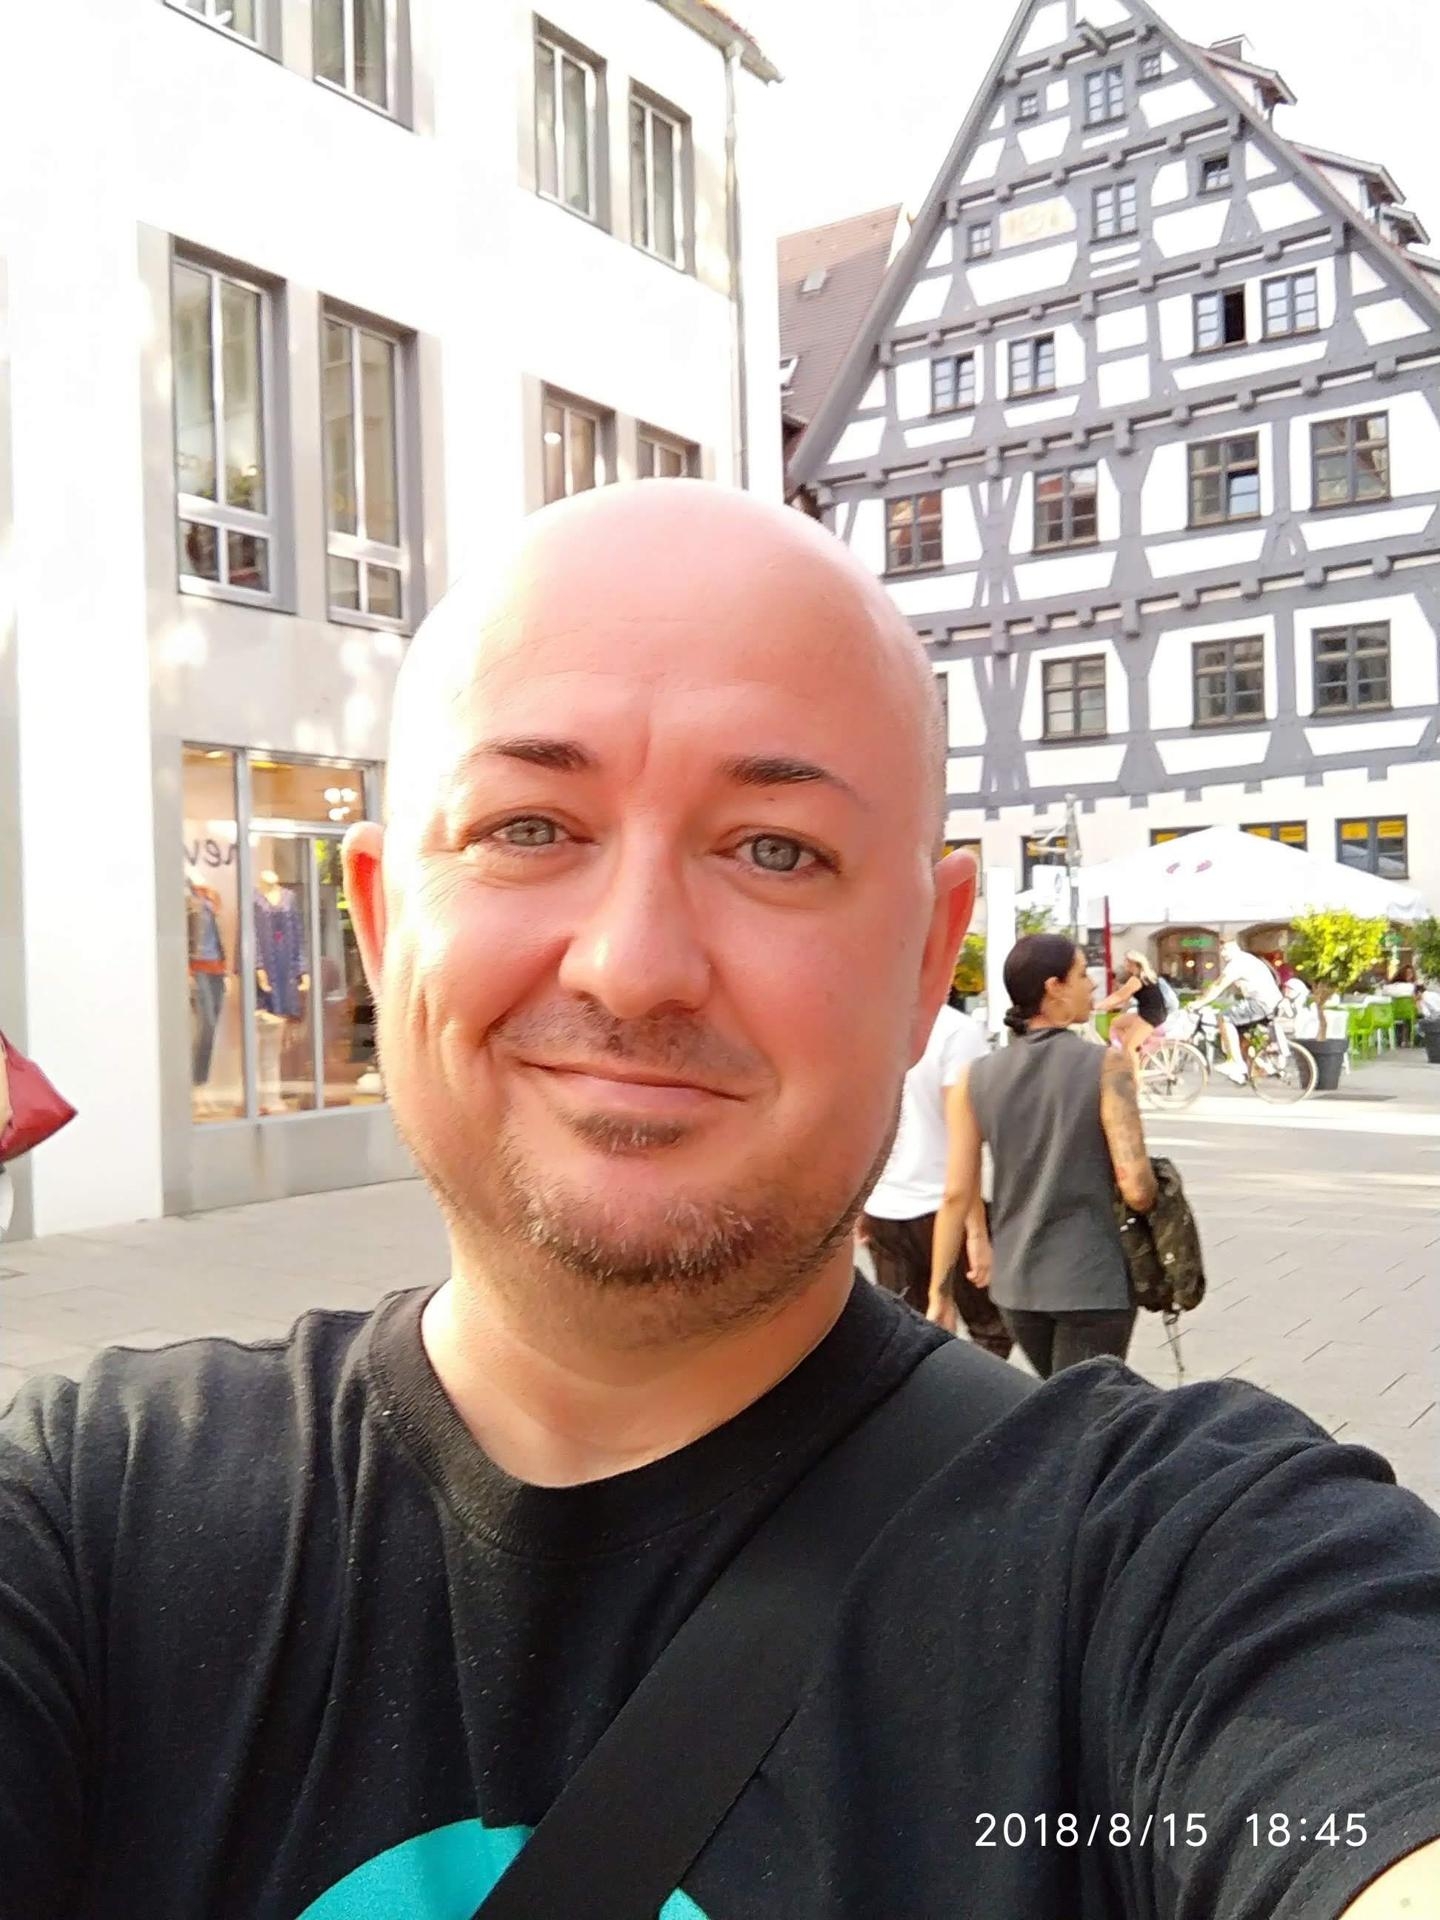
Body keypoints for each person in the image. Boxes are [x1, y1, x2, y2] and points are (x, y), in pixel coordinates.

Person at [2, 484, 1438, 1920]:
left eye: (774, 849)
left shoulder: (1194, 1568)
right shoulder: (88, 1518)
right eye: (527, 826)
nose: (634, 968)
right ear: (382, 925)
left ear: (921, 960)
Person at [928, 934, 1156, 1379]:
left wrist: (940, 1292)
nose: (1093, 984)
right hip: (1091, 1279)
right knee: (1084, 1408)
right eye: (1081, 975)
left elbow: (956, 1193)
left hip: (1016, 1285)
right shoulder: (1107, 1065)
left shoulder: (973, 1077)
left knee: (1055, 1396)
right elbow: (1137, 1187)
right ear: (1054, 988)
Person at [858, 999, 1012, 1359]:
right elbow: (964, 1141)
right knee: (991, 1329)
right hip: (942, 1206)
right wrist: (977, 1232)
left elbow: (860, 1121)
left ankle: (930, 1394)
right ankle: (964, 1396)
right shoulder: (956, 1031)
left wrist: (860, 1202)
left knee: (904, 1341)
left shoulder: (874, 1020)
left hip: (885, 1209)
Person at [1190, 937, 1284, 1084]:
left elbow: (1218, 985)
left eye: (1225, 949)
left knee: (1224, 1018)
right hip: (1270, 1002)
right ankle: (1259, 1067)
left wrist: (1199, 1003)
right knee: (1238, 1034)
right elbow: (1222, 989)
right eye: (1221, 950)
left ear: (1235, 947)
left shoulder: (1238, 963)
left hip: (1261, 1002)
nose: (1222, 954)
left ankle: (1236, 1063)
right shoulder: (1246, 959)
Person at [1094, 948, 1168, 1074]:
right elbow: (1124, 997)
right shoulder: (1145, 976)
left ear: (1134, 963)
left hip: (1149, 1016)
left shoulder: (1137, 979)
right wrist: (1108, 1005)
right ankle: (1133, 1051)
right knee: (1117, 1023)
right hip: (1150, 1013)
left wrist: (1099, 1005)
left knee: (1129, 1047)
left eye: (1127, 961)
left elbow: (1120, 996)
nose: (1125, 964)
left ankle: (1134, 1077)